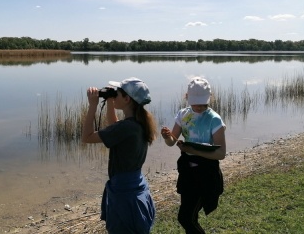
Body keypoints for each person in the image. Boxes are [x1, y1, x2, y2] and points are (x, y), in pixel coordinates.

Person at [82, 77, 157, 233]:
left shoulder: (126, 127)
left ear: (127, 99)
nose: (114, 95)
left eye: (117, 93)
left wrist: (92, 106)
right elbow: (115, 126)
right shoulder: (138, 122)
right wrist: (110, 100)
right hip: (135, 184)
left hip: (124, 192)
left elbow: (86, 137)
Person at [161, 77, 226, 234]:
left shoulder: (214, 119)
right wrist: (167, 136)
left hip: (206, 173)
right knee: (191, 217)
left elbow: (221, 153)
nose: (198, 106)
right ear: (187, 97)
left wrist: (193, 150)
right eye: (195, 102)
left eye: (202, 103)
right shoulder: (183, 115)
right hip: (188, 171)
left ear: (209, 99)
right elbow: (171, 142)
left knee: (185, 218)